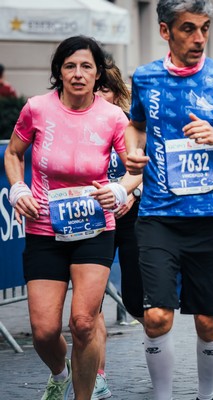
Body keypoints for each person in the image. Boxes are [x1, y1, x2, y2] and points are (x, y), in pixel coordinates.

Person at [124, 1, 213, 399]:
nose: (199, 38)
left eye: (204, 28)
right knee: (155, 316)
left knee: (206, 320)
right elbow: (135, 125)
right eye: (188, 29)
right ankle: (163, 395)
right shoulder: (146, 77)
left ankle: (206, 395)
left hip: (212, 214)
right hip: (157, 214)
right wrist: (131, 152)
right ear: (166, 31)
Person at [3, 35, 141, 400]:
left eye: (86, 67)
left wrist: (121, 189)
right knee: (45, 331)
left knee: (82, 322)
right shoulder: (36, 109)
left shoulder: (113, 117)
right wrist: (18, 188)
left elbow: (136, 167)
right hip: (44, 228)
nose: (78, 74)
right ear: (59, 72)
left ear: (98, 75)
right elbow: (14, 154)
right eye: (70, 66)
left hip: (94, 227)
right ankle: (59, 371)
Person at [91, 58, 144, 400]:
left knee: (136, 301)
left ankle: (155, 337)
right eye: (96, 90)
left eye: (105, 89)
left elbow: (141, 166)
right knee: (89, 305)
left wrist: (129, 191)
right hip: (93, 222)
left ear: (117, 91)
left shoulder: (126, 123)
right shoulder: (76, 124)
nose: (99, 95)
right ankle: (97, 374)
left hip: (128, 216)